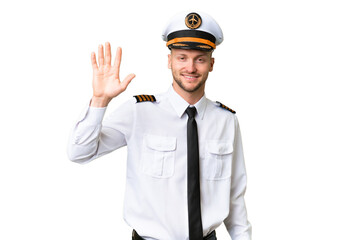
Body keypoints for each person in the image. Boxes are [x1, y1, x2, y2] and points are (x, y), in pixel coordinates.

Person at [68, 11, 251, 240]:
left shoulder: (226, 120)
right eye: (182, 57)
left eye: (200, 59)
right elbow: (79, 153)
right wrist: (100, 101)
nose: (191, 68)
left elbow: (234, 197)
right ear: (169, 61)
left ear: (211, 64)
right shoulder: (139, 111)